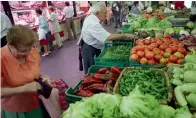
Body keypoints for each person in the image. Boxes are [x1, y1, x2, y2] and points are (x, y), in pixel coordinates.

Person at [1, 25, 52, 118]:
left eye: (30, 49)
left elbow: (32, 72)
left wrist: (43, 77)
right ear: (10, 45)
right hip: (15, 110)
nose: (27, 54)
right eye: (23, 51)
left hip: (35, 104)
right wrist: (24, 88)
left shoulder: (32, 51)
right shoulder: (1, 59)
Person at [80, 2, 139, 73]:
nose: (106, 14)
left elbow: (104, 34)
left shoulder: (94, 18)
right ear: (98, 13)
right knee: (91, 71)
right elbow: (108, 37)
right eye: (104, 13)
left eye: (106, 12)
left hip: (94, 46)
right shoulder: (93, 23)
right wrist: (125, 35)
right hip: (89, 48)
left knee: (98, 70)